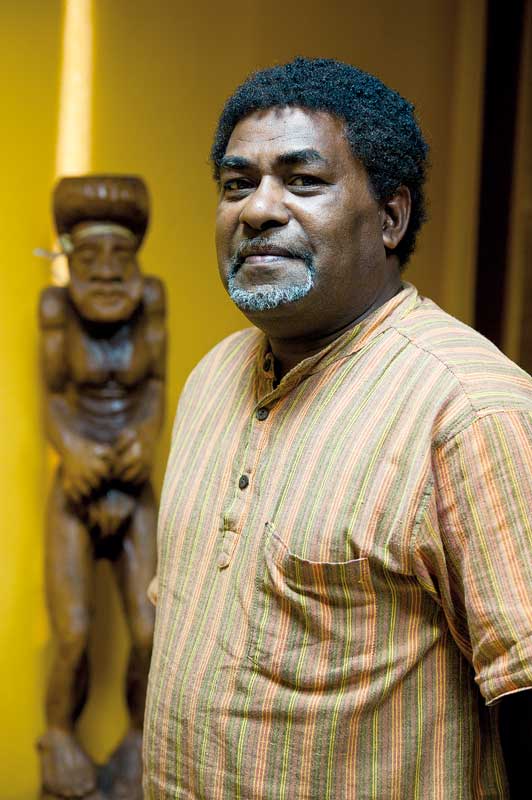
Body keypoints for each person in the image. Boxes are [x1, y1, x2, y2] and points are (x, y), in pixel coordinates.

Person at [143, 58, 532, 799]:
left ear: (390, 218)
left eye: (303, 180)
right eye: (236, 184)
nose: (258, 210)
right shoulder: (210, 378)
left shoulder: (471, 412)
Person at [38, 176, 166, 799]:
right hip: (79, 483)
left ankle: (141, 737)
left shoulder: (153, 300)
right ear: (69, 258)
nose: (109, 271)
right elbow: (51, 398)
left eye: (121, 254)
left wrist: (145, 438)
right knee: (72, 634)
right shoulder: (55, 308)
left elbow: (155, 386)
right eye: (91, 256)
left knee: (149, 630)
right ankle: (59, 737)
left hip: (132, 482)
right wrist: (73, 450)